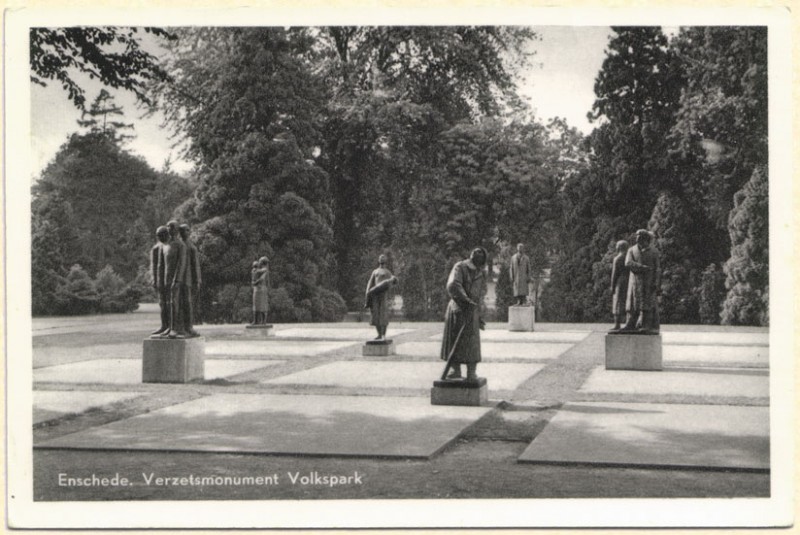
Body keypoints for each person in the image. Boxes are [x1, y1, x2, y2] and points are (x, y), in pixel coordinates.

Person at [440, 247, 487, 381]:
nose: (479, 254)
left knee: (472, 343)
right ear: (471, 254)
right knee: (456, 341)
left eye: (481, 254)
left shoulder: (480, 272)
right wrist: (466, 301)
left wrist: (479, 314)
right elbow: (453, 285)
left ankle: (471, 372)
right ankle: (456, 370)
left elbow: (479, 295)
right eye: (476, 252)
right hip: (459, 308)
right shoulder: (460, 267)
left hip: (472, 311)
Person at [622, 230, 661, 334]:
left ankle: (646, 324)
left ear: (645, 237)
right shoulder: (632, 250)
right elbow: (628, 263)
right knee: (631, 304)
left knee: (647, 303)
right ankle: (630, 323)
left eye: (640, 235)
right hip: (634, 281)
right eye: (637, 235)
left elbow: (657, 268)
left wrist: (656, 282)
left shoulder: (654, 251)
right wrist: (642, 267)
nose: (637, 237)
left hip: (648, 281)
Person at [162, 220, 188, 338]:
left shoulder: (180, 245)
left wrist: (177, 280)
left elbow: (181, 264)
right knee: (168, 303)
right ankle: (169, 327)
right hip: (167, 278)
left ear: (176, 229)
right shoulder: (167, 245)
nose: (168, 228)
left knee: (175, 303)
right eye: (167, 226)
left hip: (176, 280)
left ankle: (175, 328)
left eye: (171, 227)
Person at [364, 254, 398, 340]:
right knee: (375, 315)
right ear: (378, 260)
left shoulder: (387, 272)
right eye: (380, 258)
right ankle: (379, 334)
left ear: (385, 261)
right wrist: (368, 295)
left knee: (383, 316)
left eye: (383, 258)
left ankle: (383, 335)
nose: (382, 259)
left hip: (383, 296)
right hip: (375, 295)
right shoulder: (375, 271)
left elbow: (391, 284)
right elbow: (370, 283)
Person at [179, 224, 201, 337]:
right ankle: (181, 327)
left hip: (188, 280)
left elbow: (195, 265)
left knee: (187, 303)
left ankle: (188, 327)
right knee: (180, 304)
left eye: (186, 230)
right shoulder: (178, 245)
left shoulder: (191, 247)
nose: (184, 232)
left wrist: (197, 280)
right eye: (182, 230)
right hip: (178, 280)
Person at [150, 226, 170, 336]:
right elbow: (154, 266)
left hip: (170, 280)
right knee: (162, 304)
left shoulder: (170, 246)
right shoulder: (156, 248)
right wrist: (154, 279)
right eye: (158, 236)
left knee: (170, 304)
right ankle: (164, 325)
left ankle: (171, 326)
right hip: (160, 280)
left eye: (161, 235)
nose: (159, 237)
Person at [609, 240, 630, 332]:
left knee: (617, 302)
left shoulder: (617, 258)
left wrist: (612, 286)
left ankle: (617, 324)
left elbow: (614, 274)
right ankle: (628, 323)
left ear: (619, 247)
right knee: (628, 302)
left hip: (620, 282)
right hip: (629, 282)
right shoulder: (630, 257)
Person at [252, 256, 270, 325]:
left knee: (262, 305)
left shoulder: (264, 270)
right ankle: (256, 321)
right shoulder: (259, 270)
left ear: (262, 263)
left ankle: (263, 321)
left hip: (261, 289)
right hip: (257, 289)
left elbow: (262, 278)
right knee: (256, 305)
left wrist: (255, 271)